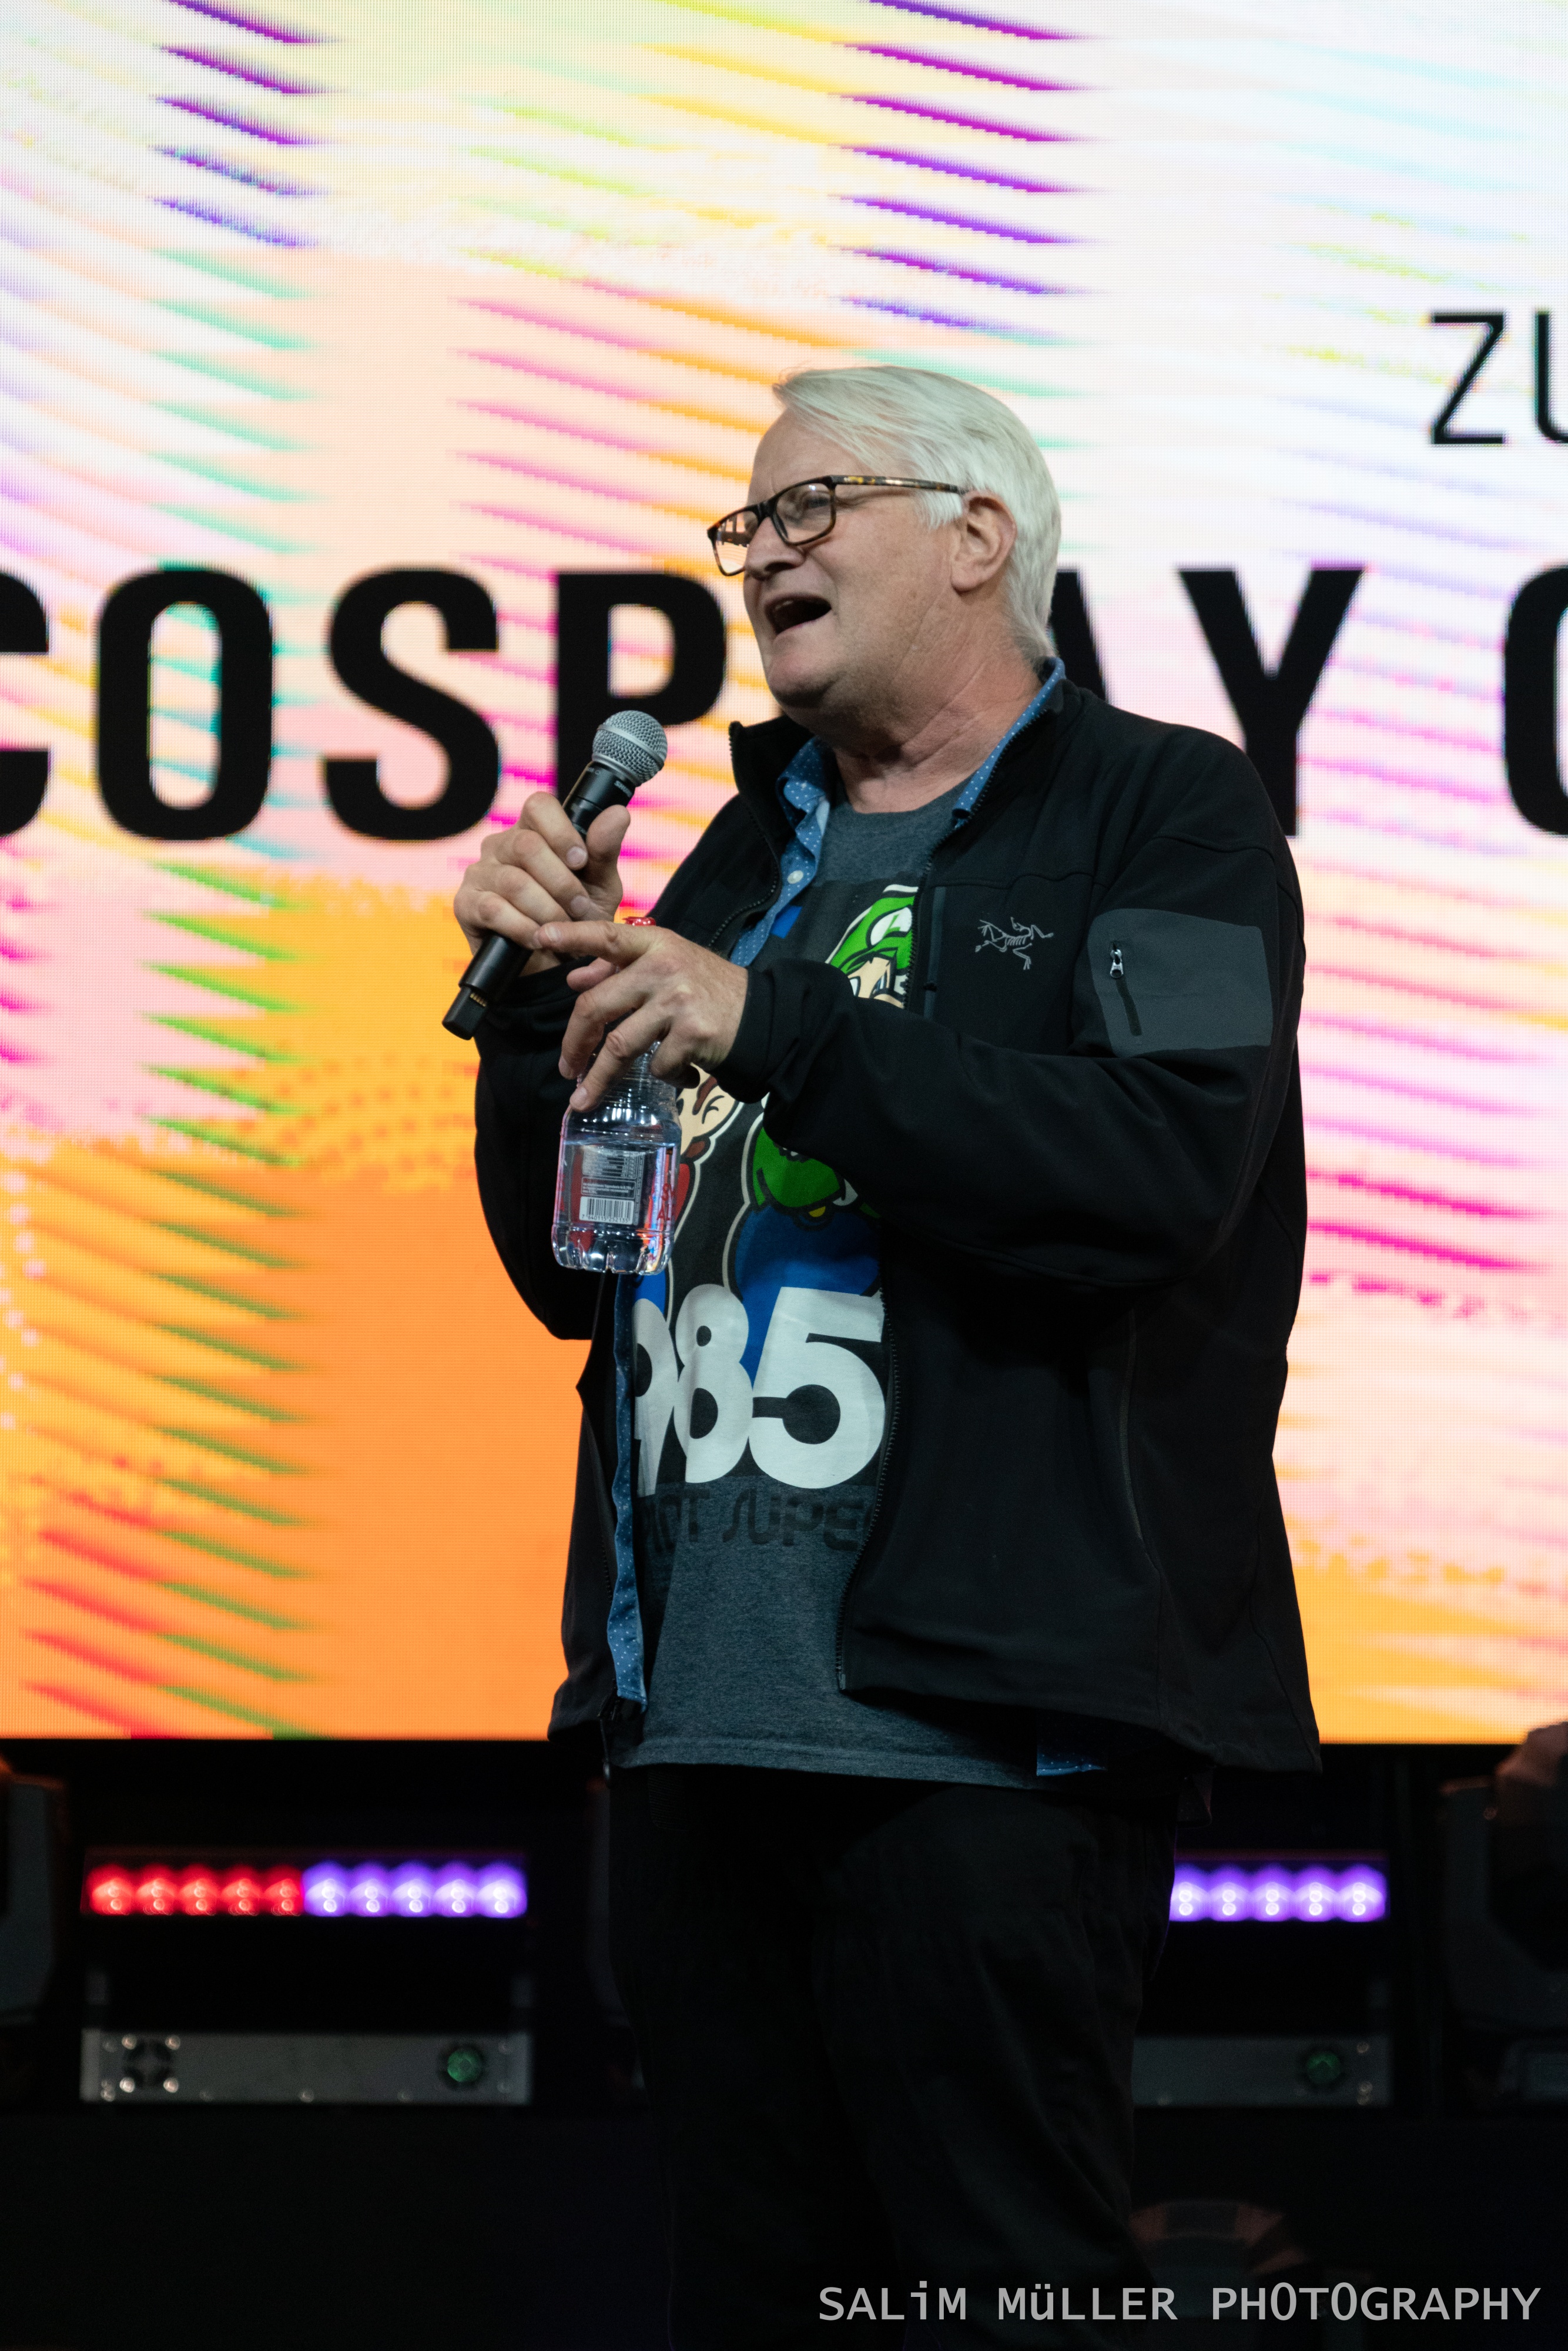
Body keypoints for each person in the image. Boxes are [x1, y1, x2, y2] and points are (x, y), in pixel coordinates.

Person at [456, 366, 1318, 2347]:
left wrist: (772, 1027)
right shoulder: (736, 855)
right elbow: (572, 1266)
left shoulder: (1164, 812)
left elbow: (1160, 1166)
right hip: (698, 1728)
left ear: (976, 536)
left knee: (997, 2288)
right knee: (757, 2298)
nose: (761, 553)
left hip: (985, 1738)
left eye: (810, 506)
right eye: (745, 526)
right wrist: (529, 1017)